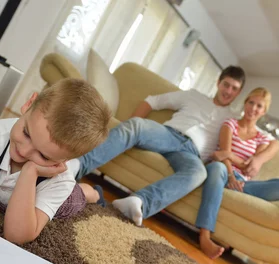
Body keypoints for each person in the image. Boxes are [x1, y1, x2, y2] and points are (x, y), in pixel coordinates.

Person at [0, 78, 111, 244]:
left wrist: (30, 172)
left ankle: (92, 193)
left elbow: (17, 235)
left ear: (64, 161)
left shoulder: (60, 181)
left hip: (62, 194)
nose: (24, 151)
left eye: (43, 156)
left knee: (77, 197)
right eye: (26, 133)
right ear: (29, 104)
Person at [69, 66, 246, 226]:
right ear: (218, 83)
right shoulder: (193, 96)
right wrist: (129, 123)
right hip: (168, 134)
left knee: (199, 173)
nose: (228, 91)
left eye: (234, 88)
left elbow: (260, 140)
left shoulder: (234, 119)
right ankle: (77, 165)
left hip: (192, 154)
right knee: (137, 125)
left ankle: (138, 202)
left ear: (239, 93)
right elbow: (153, 101)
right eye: (226, 84)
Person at [195, 87, 279, 259]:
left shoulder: (261, 138)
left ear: (264, 112)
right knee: (218, 168)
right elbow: (222, 156)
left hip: (241, 180)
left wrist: (233, 156)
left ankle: (233, 188)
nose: (253, 109)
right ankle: (205, 236)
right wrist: (231, 173)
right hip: (221, 170)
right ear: (245, 103)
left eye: (259, 106)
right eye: (251, 103)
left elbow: (250, 168)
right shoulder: (230, 124)